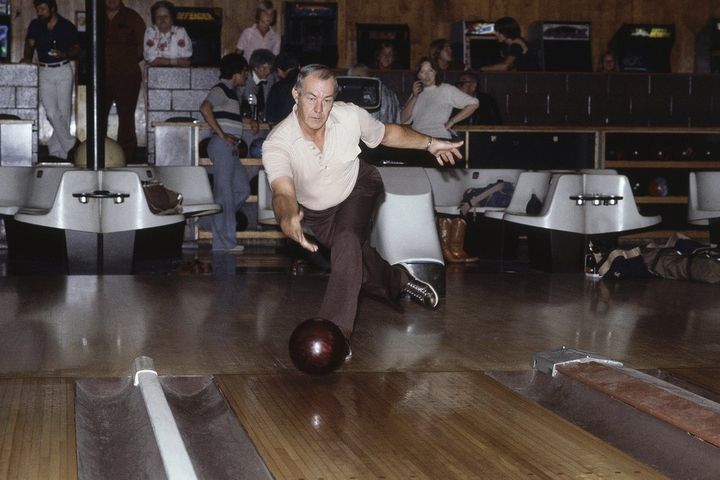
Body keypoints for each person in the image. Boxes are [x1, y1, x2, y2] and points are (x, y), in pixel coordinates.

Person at [262, 64, 463, 344]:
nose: (319, 109)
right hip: (319, 214)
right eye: (311, 98)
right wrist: (287, 218)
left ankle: (335, 333)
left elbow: (390, 134)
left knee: (346, 240)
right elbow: (282, 192)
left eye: (327, 99)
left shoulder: (349, 116)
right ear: (296, 94)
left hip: (358, 185)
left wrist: (430, 143)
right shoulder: (278, 142)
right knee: (359, 266)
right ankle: (400, 281)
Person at [198, 53, 251, 252]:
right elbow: (205, 108)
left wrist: (248, 122)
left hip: (230, 147)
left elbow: (227, 117)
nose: (245, 76)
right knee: (225, 194)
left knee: (241, 189)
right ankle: (224, 244)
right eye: (244, 72)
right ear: (236, 72)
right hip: (223, 145)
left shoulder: (230, 92)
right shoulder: (220, 89)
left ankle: (206, 221)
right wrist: (221, 134)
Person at [22, 0, 80, 161]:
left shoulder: (66, 26)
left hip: (63, 70)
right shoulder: (35, 25)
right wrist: (26, 58)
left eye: (42, 9)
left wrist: (65, 54)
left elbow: (76, 48)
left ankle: (57, 153)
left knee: (64, 113)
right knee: (51, 113)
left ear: (53, 9)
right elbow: (29, 44)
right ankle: (71, 145)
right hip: (44, 70)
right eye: (37, 9)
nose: (39, 12)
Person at [104, 0, 145, 163]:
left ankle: (125, 159)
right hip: (101, 77)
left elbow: (143, 46)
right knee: (98, 117)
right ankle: (100, 157)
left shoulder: (132, 17)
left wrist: (126, 61)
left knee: (126, 118)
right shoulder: (96, 17)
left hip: (127, 76)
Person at [400, 57, 479, 140]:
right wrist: (414, 96)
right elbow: (402, 120)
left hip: (438, 138)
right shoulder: (416, 93)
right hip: (417, 140)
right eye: (422, 72)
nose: (427, 75)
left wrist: (452, 121)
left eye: (430, 71)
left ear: (435, 72)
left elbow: (474, 103)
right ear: (418, 76)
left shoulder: (445, 89)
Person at [143, 1, 193, 67]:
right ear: (154, 20)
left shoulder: (180, 31)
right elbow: (150, 58)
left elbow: (185, 57)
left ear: (172, 19)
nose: (162, 19)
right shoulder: (151, 31)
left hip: (178, 72)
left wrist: (160, 60)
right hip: (155, 72)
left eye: (166, 16)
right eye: (158, 17)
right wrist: (175, 61)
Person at [265, 50, 300, 125]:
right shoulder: (310, 83)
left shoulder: (277, 88)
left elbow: (271, 119)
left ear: (279, 70)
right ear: (299, 66)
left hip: (285, 133)